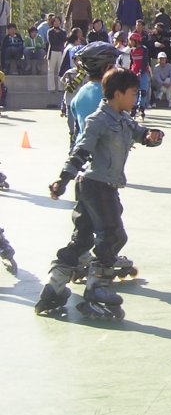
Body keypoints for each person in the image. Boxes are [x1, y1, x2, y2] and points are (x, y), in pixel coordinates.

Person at [37, 68, 163, 319]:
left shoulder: (123, 118)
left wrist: (152, 136)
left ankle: (54, 286)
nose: (135, 98)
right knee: (113, 235)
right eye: (132, 93)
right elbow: (81, 151)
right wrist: (62, 180)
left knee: (83, 239)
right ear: (117, 94)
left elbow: (140, 133)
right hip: (96, 186)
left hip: (104, 185)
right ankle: (97, 288)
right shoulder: (98, 120)